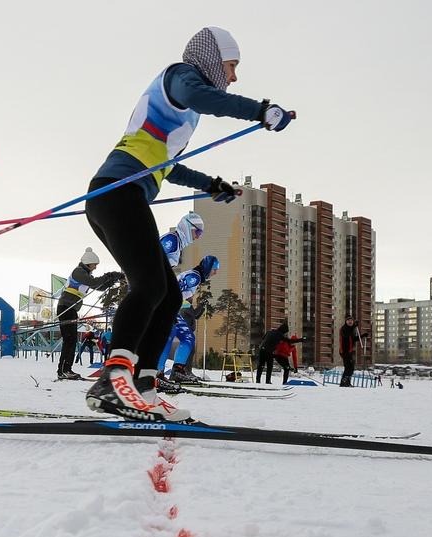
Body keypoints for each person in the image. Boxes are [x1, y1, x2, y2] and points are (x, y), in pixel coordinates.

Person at [83, 26, 293, 422]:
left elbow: (169, 165)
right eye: (231, 66)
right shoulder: (179, 77)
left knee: (168, 297)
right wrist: (261, 110)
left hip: (120, 196)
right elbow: (205, 97)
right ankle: (113, 379)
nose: (233, 77)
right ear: (212, 57)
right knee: (150, 286)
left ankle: (144, 385)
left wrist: (210, 184)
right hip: (116, 192)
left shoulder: (183, 108)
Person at [56, 247, 122, 380]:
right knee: (69, 340)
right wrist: (109, 275)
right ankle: (64, 370)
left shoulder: (85, 274)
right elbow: (94, 282)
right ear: (88, 263)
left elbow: (98, 286)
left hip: (71, 309)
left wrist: (111, 281)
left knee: (71, 340)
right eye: (94, 264)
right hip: (66, 308)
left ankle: (65, 369)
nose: (95, 267)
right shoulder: (78, 272)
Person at [157, 255, 219, 389]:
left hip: (172, 309)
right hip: (166, 308)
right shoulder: (194, 277)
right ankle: (157, 373)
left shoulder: (195, 277)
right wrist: (168, 309)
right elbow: (172, 290)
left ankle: (178, 371)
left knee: (188, 337)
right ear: (208, 267)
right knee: (169, 335)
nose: (216, 272)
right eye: (215, 269)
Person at [338, 315, 367, 387]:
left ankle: (347, 382)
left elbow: (354, 339)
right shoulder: (343, 329)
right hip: (344, 351)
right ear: (346, 322)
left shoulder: (352, 329)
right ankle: (343, 383)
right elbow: (347, 334)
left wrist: (362, 336)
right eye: (348, 320)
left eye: (351, 320)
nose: (350, 322)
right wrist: (354, 326)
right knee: (348, 367)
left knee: (351, 367)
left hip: (349, 351)